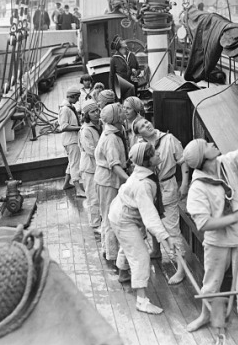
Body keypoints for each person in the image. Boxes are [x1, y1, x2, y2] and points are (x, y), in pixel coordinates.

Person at [183, 117, 238, 345]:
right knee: (212, 283)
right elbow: (204, 224)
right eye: (207, 144)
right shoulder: (197, 189)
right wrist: (234, 217)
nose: (211, 143)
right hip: (218, 240)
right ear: (203, 158)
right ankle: (209, 317)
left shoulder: (227, 162)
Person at [108, 142, 177, 314]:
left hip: (121, 211)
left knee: (130, 244)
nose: (158, 154)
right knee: (140, 255)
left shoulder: (145, 173)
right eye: (154, 154)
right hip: (123, 218)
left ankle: (124, 273)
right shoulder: (143, 184)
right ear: (146, 162)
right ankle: (142, 301)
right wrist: (165, 237)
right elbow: (150, 215)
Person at [133, 117, 189, 284]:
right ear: (138, 132)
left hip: (167, 186)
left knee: (172, 227)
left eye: (146, 122)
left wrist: (185, 183)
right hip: (148, 187)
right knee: (150, 219)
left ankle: (181, 268)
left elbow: (183, 161)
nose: (147, 125)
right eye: (142, 126)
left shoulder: (169, 139)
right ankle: (156, 250)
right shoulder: (139, 145)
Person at [94, 103, 129, 265]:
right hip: (108, 181)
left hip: (106, 179)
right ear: (114, 118)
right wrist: (129, 181)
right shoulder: (111, 138)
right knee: (109, 216)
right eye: (120, 111)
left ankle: (107, 249)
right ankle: (112, 254)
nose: (123, 113)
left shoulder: (113, 132)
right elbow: (114, 164)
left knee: (107, 214)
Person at [79, 99, 102, 231]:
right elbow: (91, 150)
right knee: (93, 197)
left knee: (100, 195)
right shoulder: (86, 130)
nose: (96, 113)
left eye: (97, 110)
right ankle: (95, 224)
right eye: (92, 112)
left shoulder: (101, 125)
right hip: (89, 168)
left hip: (99, 166)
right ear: (87, 115)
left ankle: (101, 219)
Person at [58, 86, 85, 198]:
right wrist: (80, 127)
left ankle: (66, 184)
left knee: (71, 162)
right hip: (71, 141)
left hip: (70, 140)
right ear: (72, 96)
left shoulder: (69, 107)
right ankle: (78, 190)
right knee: (75, 164)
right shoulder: (65, 109)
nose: (78, 100)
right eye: (77, 97)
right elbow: (63, 126)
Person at [109, 36, 140, 102]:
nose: (124, 41)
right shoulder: (114, 59)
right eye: (122, 41)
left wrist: (136, 73)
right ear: (118, 45)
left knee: (133, 104)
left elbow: (138, 69)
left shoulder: (132, 55)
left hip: (133, 86)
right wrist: (112, 90)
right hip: (121, 88)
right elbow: (111, 76)